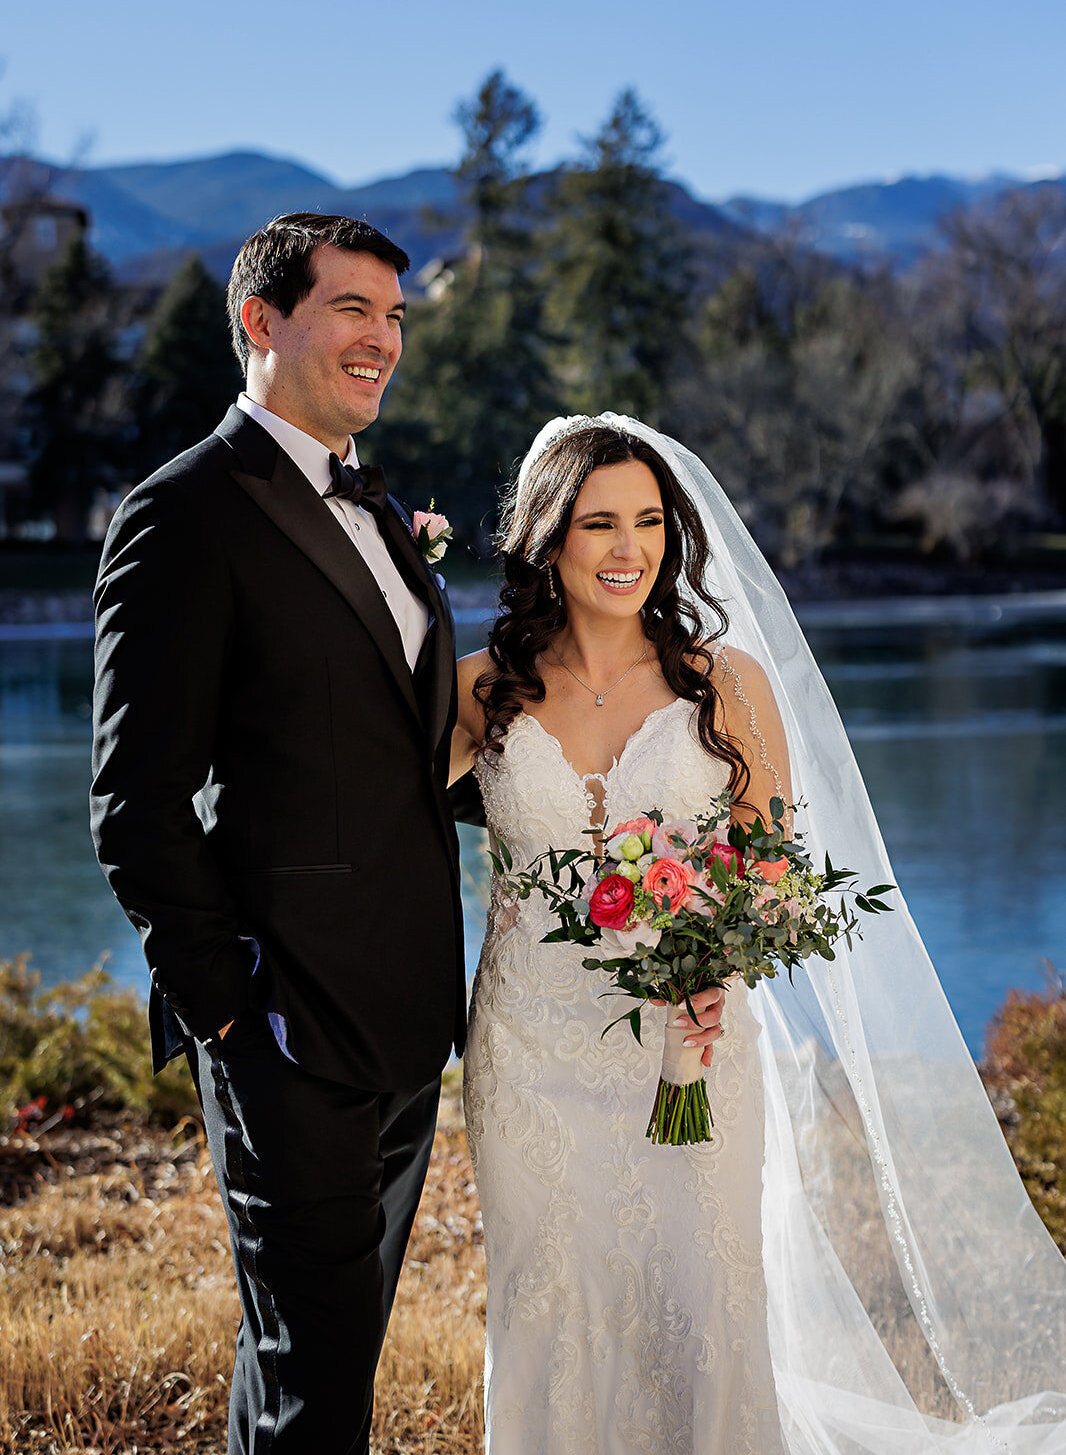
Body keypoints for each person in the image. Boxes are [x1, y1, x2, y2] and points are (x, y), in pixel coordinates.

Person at [451, 413, 1066, 1454]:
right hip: (531, 1055)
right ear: (547, 536)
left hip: (688, 1049)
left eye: (647, 520)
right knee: (549, 1295)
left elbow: (773, 874)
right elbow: (363, 836)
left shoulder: (724, 682)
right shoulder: (474, 689)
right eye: (598, 522)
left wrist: (718, 964)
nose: (627, 547)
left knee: (704, 1296)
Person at [91, 213, 466, 1455]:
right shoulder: (184, 513)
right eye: (353, 309)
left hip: (405, 1023)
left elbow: (403, 752)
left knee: (317, 1364)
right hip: (286, 1028)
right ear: (262, 322)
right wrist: (235, 1016)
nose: (383, 341)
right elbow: (134, 807)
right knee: (316, 1383)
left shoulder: (384, 507)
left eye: (395, 317)